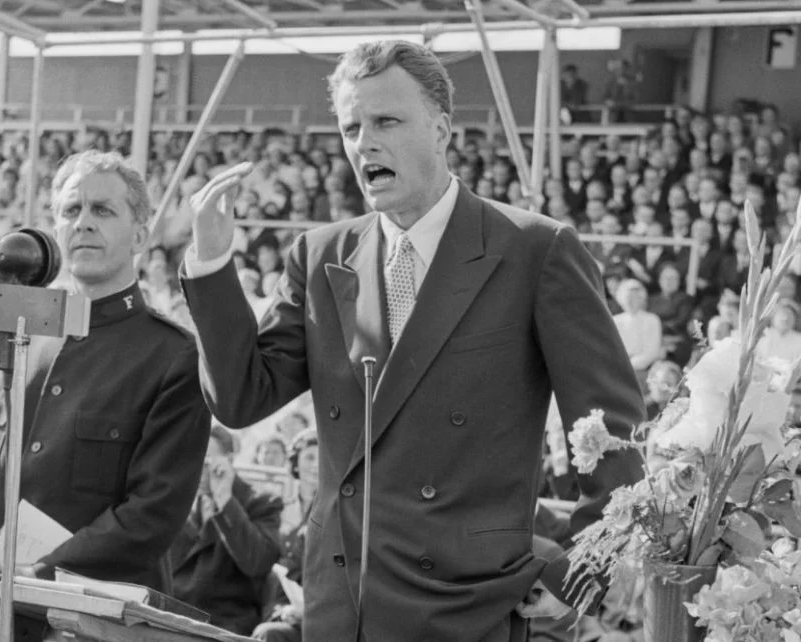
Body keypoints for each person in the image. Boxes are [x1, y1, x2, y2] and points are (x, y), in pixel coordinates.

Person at [181, 41, 645, 641]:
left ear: (441, 129)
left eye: (386, 121)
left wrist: (580, 574)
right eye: (351, 126)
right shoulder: (320, 254)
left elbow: (612, 432)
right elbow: (242, 397)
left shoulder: (536, 249)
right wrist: (212, 261)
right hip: (339, 602)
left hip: (468, 602)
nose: (363, 142)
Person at [0, 151, 211, 590]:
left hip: (94, 616)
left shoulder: (172, 356)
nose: (83, 222)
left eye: (102, 210)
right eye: (71, 210)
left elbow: (153, 512)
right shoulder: (19, 328)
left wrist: (40, 573)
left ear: (140, 234)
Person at [170, 425, 283, 635]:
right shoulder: (181, 500)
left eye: (205, 462)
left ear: (229, 460)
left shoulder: (260, 502)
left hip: (224, 622)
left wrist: (225, 500)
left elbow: (257, 562)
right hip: (171, 617)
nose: (196, 469)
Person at [254, 428, 319, 642]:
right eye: (309, 457)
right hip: (276, 594)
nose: (316, 465)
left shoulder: (333, 512)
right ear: (295, 462)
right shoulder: (277, 508)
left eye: (321, 457)